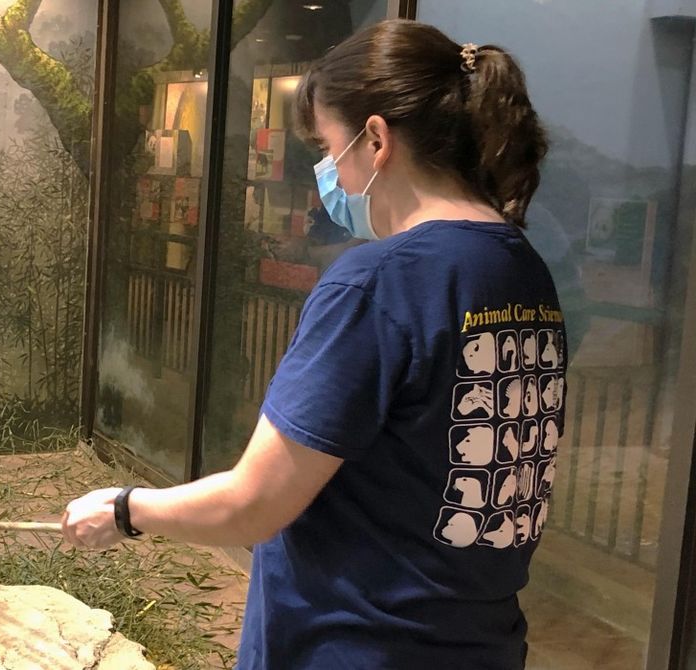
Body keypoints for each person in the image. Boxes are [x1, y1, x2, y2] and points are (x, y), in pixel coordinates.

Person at [63, 18, 565, 669]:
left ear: (377, 138)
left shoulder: (377, 282)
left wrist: (128, 510)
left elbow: (254, 505)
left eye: (329, 147)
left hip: (355, 645)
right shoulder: (523, 269)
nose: (330, 173)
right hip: (481, 646)